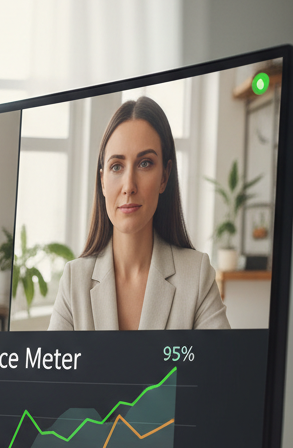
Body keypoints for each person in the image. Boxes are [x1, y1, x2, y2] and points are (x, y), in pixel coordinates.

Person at [49, 96, 229, 331]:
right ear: (102, 181)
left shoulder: (197, 276)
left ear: (164, 176)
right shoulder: (74, 281)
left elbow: (221, 367)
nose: (129, 185)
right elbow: (52, 368)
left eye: (145, 163)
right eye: (116, 166)